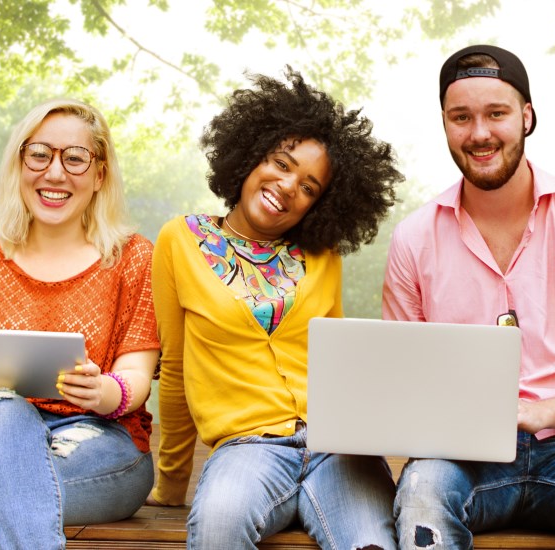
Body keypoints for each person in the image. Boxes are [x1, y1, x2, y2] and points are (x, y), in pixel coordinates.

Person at [382, 44, 555, 549]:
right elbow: (403, 381)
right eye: (461, 117)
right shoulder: (413, 238)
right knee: (421, 491)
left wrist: (536, 413)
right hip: (461, 453)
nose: (480, 133)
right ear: (444, 124)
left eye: (497, 114)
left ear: (527, 117)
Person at [150, 69, 402, 549]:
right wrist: (172, 481)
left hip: (338, 450)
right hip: (248, 449)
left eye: (309, 187)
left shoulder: (323, 256)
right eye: (281, 163)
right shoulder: (179, 240)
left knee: (372, 545)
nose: (288, 187)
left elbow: (338, 361)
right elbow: (176, 366)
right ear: (249, 156)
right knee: (218, 526)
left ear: (319, 205)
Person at [0, 98, 159, 549]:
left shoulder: (135, 259)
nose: (54, 173)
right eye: (40, 154)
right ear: (19, 162)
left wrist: (106, 391)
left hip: (99, 443)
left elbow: (136, 378)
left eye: (75, 158)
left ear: (100, 174)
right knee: (4, 407)